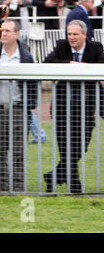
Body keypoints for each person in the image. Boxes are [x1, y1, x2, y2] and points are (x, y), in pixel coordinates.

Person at [43, 20, 104, 193]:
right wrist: (69, 65)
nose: (71, 37)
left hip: (86, 108)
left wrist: (79, 67)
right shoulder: (61, 46)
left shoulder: (96, 48)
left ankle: (53, 176)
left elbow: (101, 65)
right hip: (63, 107)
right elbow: (48, 62)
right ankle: (75, 186)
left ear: (85, 34)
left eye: (75, 34)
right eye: (69, 34)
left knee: (80, 147)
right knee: (65, 147)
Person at [0, 19, 38, 192]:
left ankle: (18, 186)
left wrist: (29, 105)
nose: (4, 33)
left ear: (17, 34)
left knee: (18, 151)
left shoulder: (26, 57)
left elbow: (32, 84)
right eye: (2, 30)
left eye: (8, 30)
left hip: (18, 110)